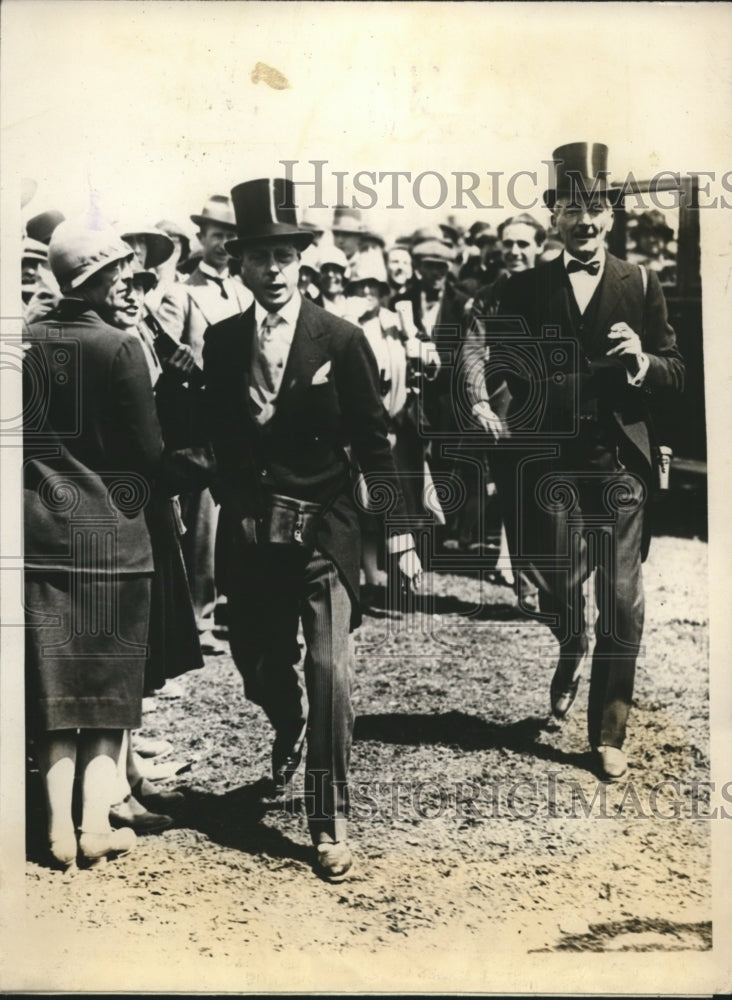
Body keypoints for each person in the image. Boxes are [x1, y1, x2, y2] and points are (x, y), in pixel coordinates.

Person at [203, 177, 422, 882]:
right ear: (240, 263)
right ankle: (284, 717)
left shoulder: (342, 338)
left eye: (284, 256)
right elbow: (217, 441)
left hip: (326, 529)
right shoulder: (221, 341)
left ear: (302, 259)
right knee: (260, 662)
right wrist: (231, 500)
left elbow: (375, 439)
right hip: (250, 533)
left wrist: (398, 531)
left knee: (332, 667)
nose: (272, 270)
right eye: (259, 256)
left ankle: (329, 817)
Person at [473, 142, 685, 781]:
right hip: (548, 467)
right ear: (553, 217)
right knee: (554, 584)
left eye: (596, 209)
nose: (585, 221)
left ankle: (607, 731)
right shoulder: (525, 288)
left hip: (619, 461)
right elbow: (494, 358)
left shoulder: (642, 284)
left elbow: (677, 373)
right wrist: (485, 402)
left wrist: (642, 362)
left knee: (621, 596)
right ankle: (571, 637)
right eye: (572, 209)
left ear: (611, 215)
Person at [24, 221, 164, 867]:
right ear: (103, 278)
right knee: (108, 698)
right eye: (120, 275)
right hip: (112, 543)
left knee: (58, 696)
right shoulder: (120, 346)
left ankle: (55, 830)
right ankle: (93, 826)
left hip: (42, 536)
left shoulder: (22, 342)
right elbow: (147, 454)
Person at [158, 196, 251, 649]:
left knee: (238, 516)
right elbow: (167, 359)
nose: (224, 244)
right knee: (201, 526)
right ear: (200, 239)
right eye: (217, 235)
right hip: (201, 423)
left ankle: (233, 607)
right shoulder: (180, 293)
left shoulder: (243, 290)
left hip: (241, 420)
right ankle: (197, 618)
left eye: (232, 237)